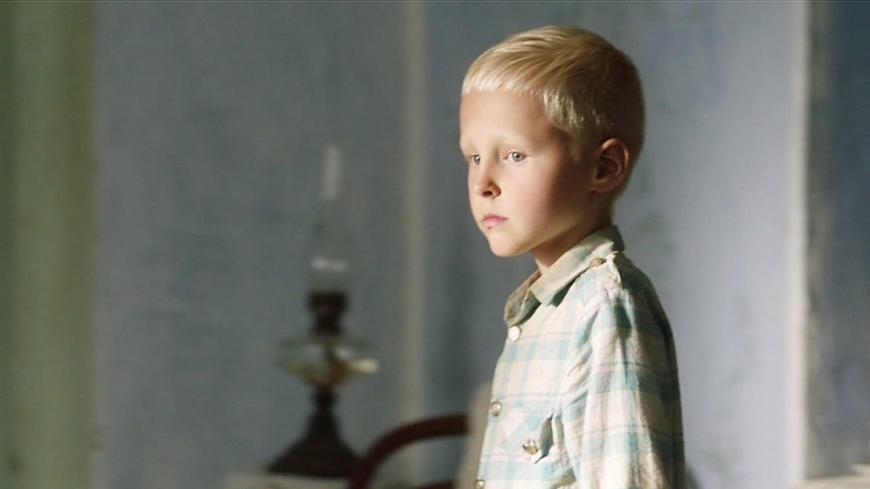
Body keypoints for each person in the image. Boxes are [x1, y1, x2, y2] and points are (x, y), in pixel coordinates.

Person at [458, 26, 687, 488]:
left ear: (604, 168)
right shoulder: (544, 313)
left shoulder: (606, 305)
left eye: (515, 155)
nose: (483, 183)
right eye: (474, 157)